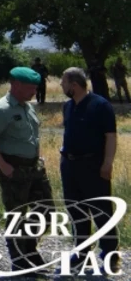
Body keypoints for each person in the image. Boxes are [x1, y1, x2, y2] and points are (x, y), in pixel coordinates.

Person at [0, 66, 52, 274]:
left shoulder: (27, 107)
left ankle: (30, 250)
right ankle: (20, 261)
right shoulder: (2, 109)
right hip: (13, 168)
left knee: (46, 211)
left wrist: (38, 157)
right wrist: (4, 166)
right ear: (17, 85)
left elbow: (33, 136)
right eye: (31, 88)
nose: (34, 92)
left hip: (34, 167)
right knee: (17, 215)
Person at [59, 67, 118, 268]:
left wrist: (107, 163)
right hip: (70, 165)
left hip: (94, 165)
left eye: (63, 82)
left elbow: (110, 136)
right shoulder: (67, 106)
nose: (61, 85)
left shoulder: (100, 105)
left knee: (101, 211)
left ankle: (110, 255)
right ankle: (82, 253)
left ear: (74, 85)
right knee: (77, 211)